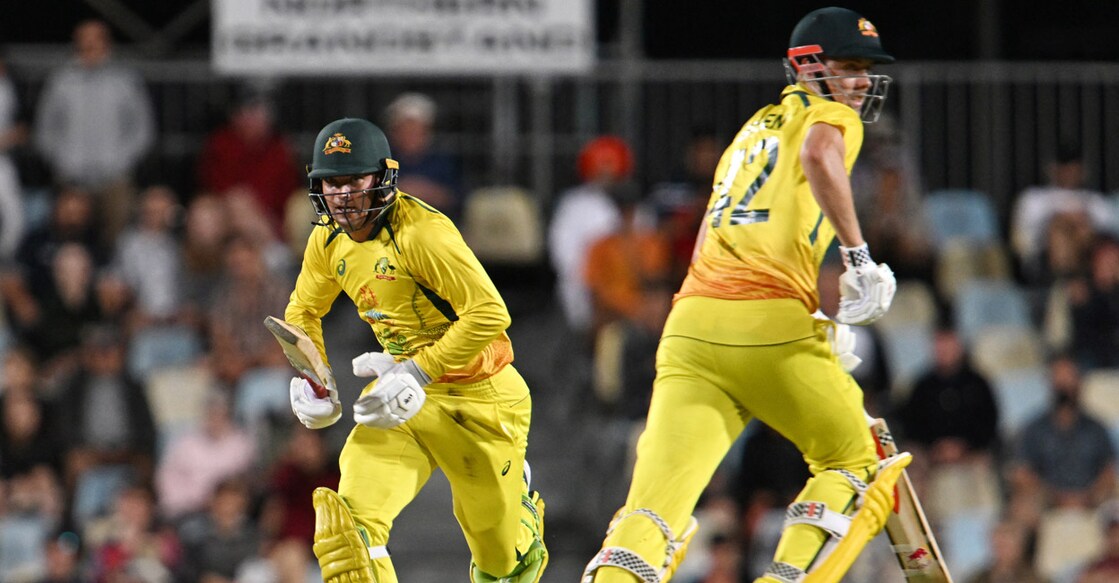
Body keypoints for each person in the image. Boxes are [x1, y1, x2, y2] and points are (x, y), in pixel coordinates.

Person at [582, 8, 905, 583]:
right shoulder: (832, 116)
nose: (860, 81)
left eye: (864, 69)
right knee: (858, 463)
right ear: (810, 68)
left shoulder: (750, 131)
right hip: (766, 323)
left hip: (690, 328)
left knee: (650, 512)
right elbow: (819, 154)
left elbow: (723, 229)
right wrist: (858, 257)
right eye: (849, 67)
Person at [282, 117, 546, 583]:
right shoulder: (327, 239)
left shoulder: (421, 233)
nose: (341, 196)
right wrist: (315, 379)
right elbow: (302, 311)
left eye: (353, 181)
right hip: (401, 399)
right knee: (351, 531)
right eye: (331, 183)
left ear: (383, 178)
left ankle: (520, 515)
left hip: (479, 397)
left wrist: (417, 371)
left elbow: (489, 314)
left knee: (502, 566)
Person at [31, 19, 155, 248]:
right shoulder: (61, 80)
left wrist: (123, 161)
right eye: (84, 39)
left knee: (118, 240)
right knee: (69, 240)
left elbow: (141, 127)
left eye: (95, 39)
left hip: (114, 178)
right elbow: (46, 127)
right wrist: (60, 161)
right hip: (71, 178)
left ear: (106, 43)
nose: (89, 45)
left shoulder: (125, 80)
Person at [383, 92, 464, 223]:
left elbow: (457, 198)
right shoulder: (383, 160)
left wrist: (429, 193)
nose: (411, 137)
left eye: (417, 131)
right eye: (405, 130)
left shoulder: (444, 162)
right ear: (394, 132)